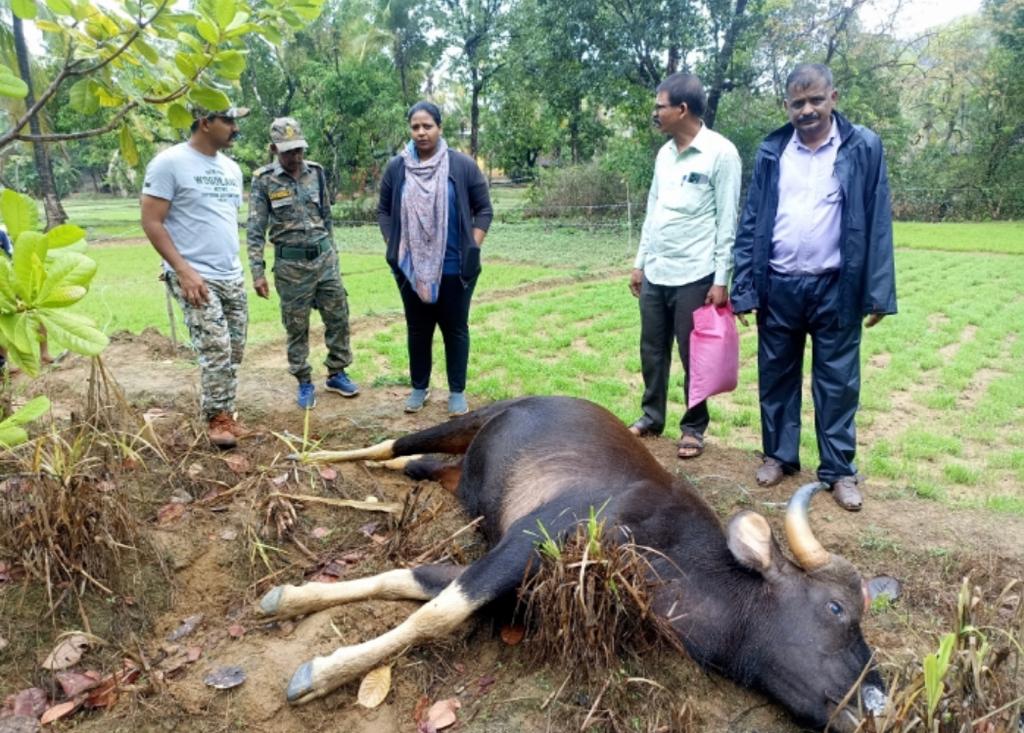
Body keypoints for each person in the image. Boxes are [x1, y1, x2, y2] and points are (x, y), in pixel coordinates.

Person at [730, 63, 897, 511]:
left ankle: (839, 470)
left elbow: (878, 219)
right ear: (786, 105)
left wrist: (878, 292)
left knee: (838, 382)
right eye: (797, 103)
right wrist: (743, 285)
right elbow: (752, 221)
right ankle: (779, 456)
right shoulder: (772, 149)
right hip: (779, 284)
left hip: (836, 286)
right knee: (776, 375)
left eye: (815, 100)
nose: (807, 110)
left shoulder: (862, 147)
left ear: (833, 98)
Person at [627, 73, 742, 459]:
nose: (654, 112)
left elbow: (728, 221)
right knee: (651, 350)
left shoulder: (721, 153)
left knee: (695, 354)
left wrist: (722, 279)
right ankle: (651, 416)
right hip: (657, 270)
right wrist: (640, 263)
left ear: (682, 109)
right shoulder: (664, 154)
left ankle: (693, 427)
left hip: (696, 273)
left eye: (660, 106)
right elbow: (652, 211)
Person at [141, 104, 251, 449]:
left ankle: (226, 412)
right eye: (228, 120)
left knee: (234, 350)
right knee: (216, 348)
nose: (235, 128)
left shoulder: (232, 169)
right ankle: (217, 418)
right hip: (194, 275)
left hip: (231, 274)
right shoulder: (168, 163)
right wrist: (183, 270)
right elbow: (152, 221)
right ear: (205, 122)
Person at [377, 101, 492, 417]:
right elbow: (384, 211)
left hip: (455, 266)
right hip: (410, 266)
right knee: (418, 328)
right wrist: (394, 244)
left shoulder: (461, 166)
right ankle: (419, 387)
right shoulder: (396, 168)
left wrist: (473, 246)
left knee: (455, 328)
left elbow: (484, 209)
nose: (421, 132)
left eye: (427, 126)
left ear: (439, 128)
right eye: (415, 126)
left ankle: (456, 392)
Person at [247, 117, 359, 409]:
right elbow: (255, 229)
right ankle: (304, 381)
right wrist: (257, 273)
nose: (295, 157)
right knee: (297, 326)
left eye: (298, 150)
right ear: (274, 149)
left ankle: (337, 372)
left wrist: (333, 254)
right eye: (287, 151)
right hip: (291, 268)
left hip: (325, 260)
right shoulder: (263, 180)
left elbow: (327, 217)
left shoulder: (317, 173)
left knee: (338, 316)